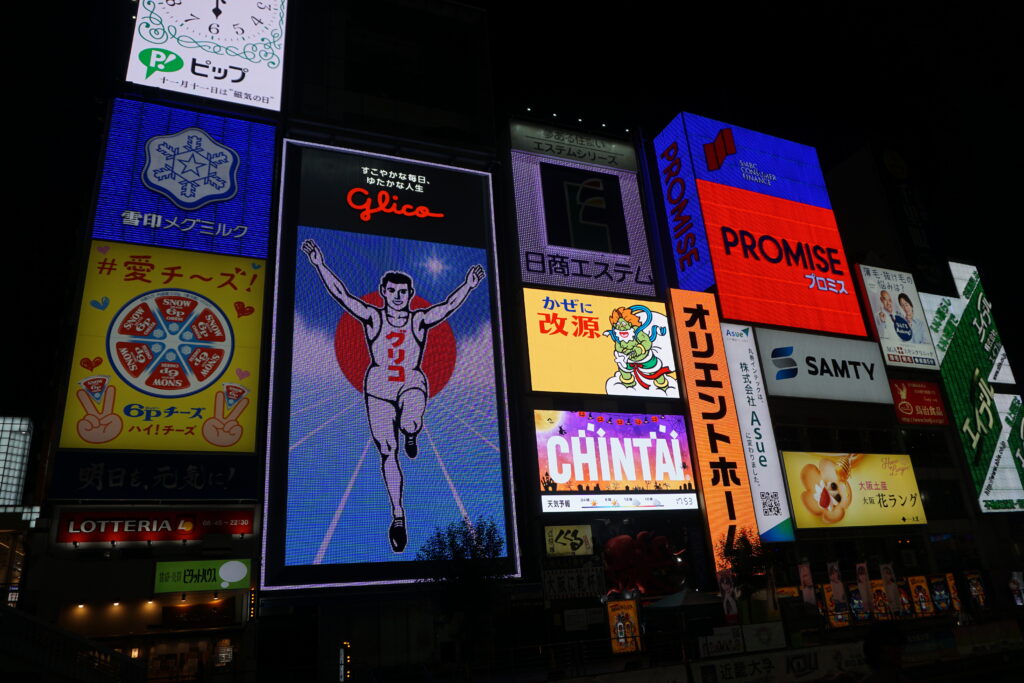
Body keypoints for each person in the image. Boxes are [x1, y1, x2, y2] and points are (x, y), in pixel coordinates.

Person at [302, 238, 485, 553]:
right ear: (384, 292)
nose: (398, 297)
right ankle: (398, 515)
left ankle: (412, 431)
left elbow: (447, 307)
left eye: (404, 293)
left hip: (411, 381)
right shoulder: (373, 317)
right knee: (387, 451)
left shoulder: (418, 319)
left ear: (410, 295)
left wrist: (468, 286)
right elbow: (341, 295)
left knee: (411, 421)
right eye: (393, 292)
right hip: (378, 388)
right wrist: (319, 264)